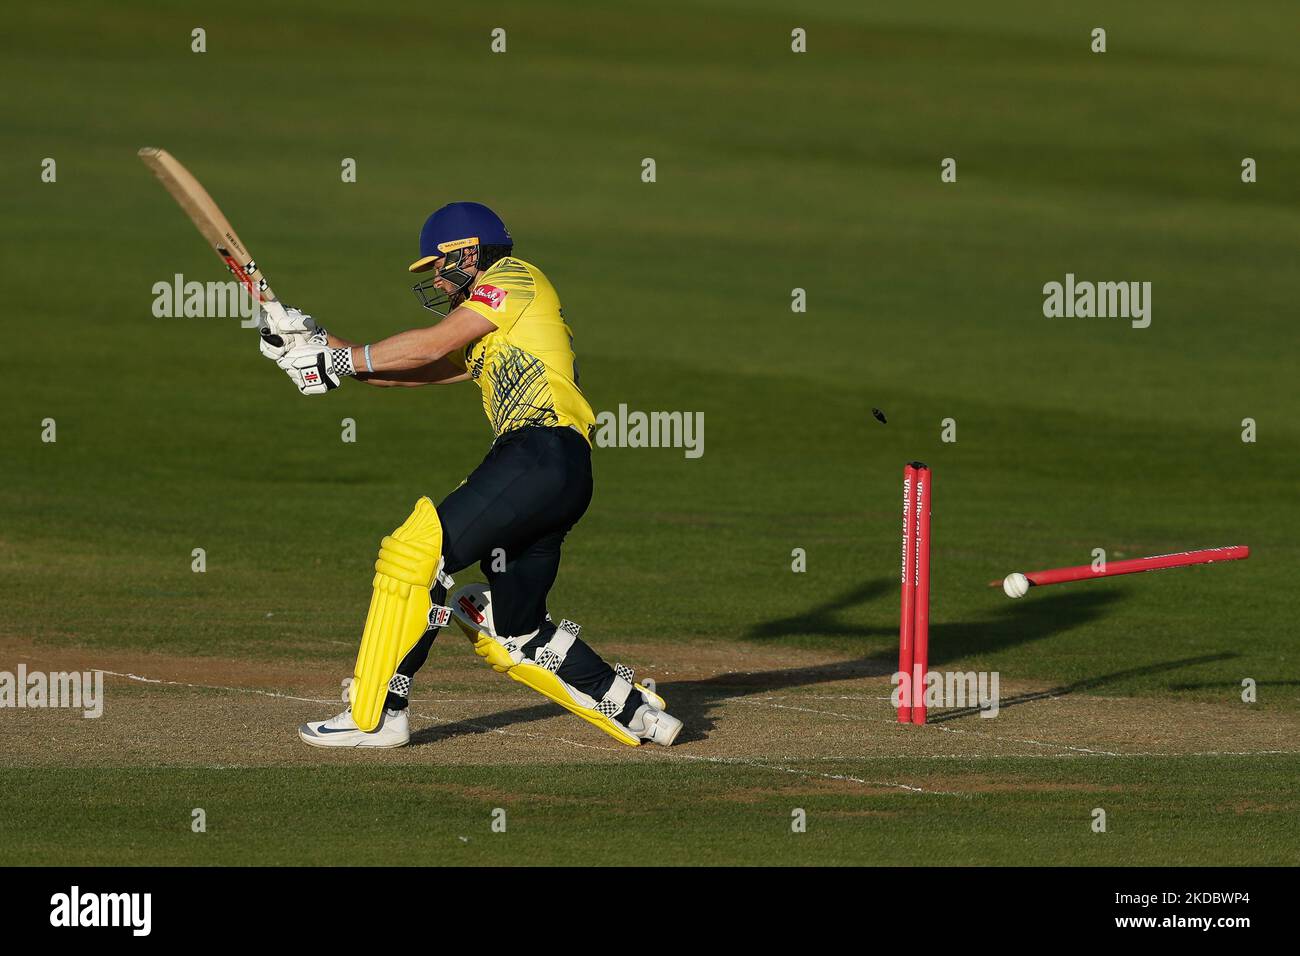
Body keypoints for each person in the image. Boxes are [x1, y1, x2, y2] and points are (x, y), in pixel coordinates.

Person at [261, 202, 681, 748]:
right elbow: (414, 369)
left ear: (471, 251)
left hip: (536, 453)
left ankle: (377, 714)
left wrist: (337, 364)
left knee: (416, 553)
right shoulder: (493, 329)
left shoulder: (514, 277)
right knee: (515, 630)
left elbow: (430, 344)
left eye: (439, 264)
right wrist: (314, 343)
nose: (436, 277)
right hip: (561, 475)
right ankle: (635, 712)